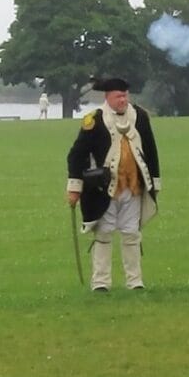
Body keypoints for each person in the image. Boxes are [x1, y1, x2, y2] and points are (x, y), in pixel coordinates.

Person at [66, 77, 161, 292]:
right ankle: (101, 283)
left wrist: (155, 183)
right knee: (104, 234)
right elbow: (76, 155)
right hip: (104, 189)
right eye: (119, 96)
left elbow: (151, 151)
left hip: (134, 186)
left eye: (125, 95)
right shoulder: (94, 120)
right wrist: (74, 187)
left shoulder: (140, 117)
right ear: (107, 97)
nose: (123, 99)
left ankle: (135, 281)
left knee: (131, 234)